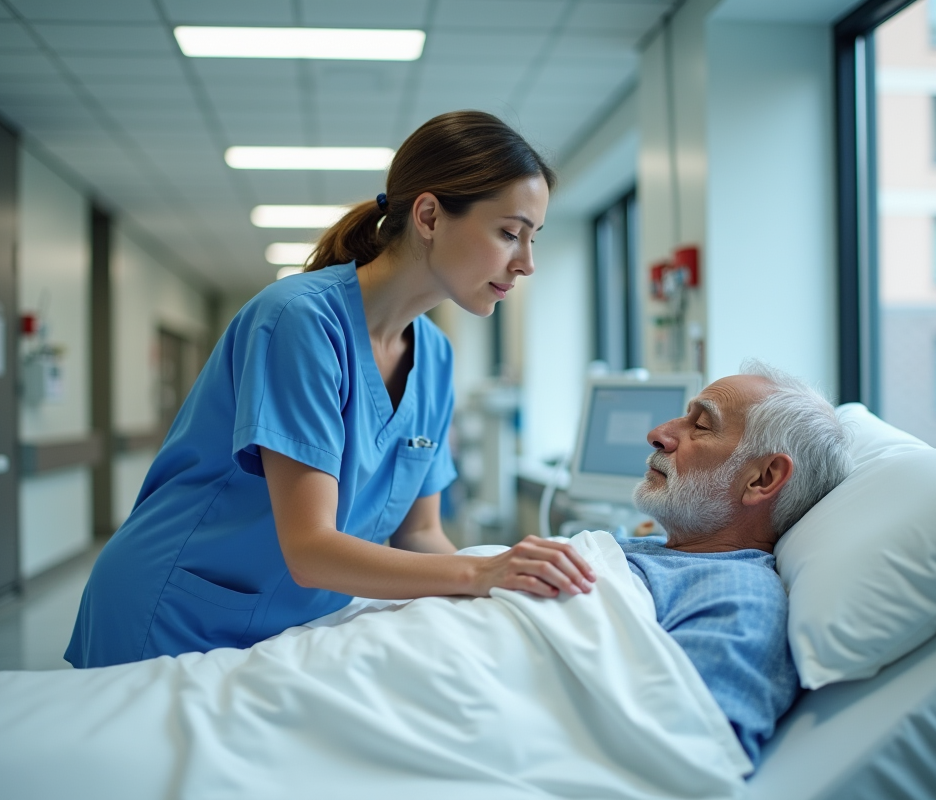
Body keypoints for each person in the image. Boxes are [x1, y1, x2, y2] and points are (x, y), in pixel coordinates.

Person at [66, 111, 596, 669]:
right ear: (430, 215)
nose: (528, 263)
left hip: (288, 624)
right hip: (176, 610)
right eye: (510, 233)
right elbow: (310, 549)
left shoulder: (436, 358)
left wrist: (499, 593)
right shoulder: (300, 320)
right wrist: (481, 570)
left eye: (534, 239)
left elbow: (418, 534)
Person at [622, 360, 852, 766]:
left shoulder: (738, 600)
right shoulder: (646, 551)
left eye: (701, 426)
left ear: (762, 479)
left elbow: (684, 760)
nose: (658, 434)